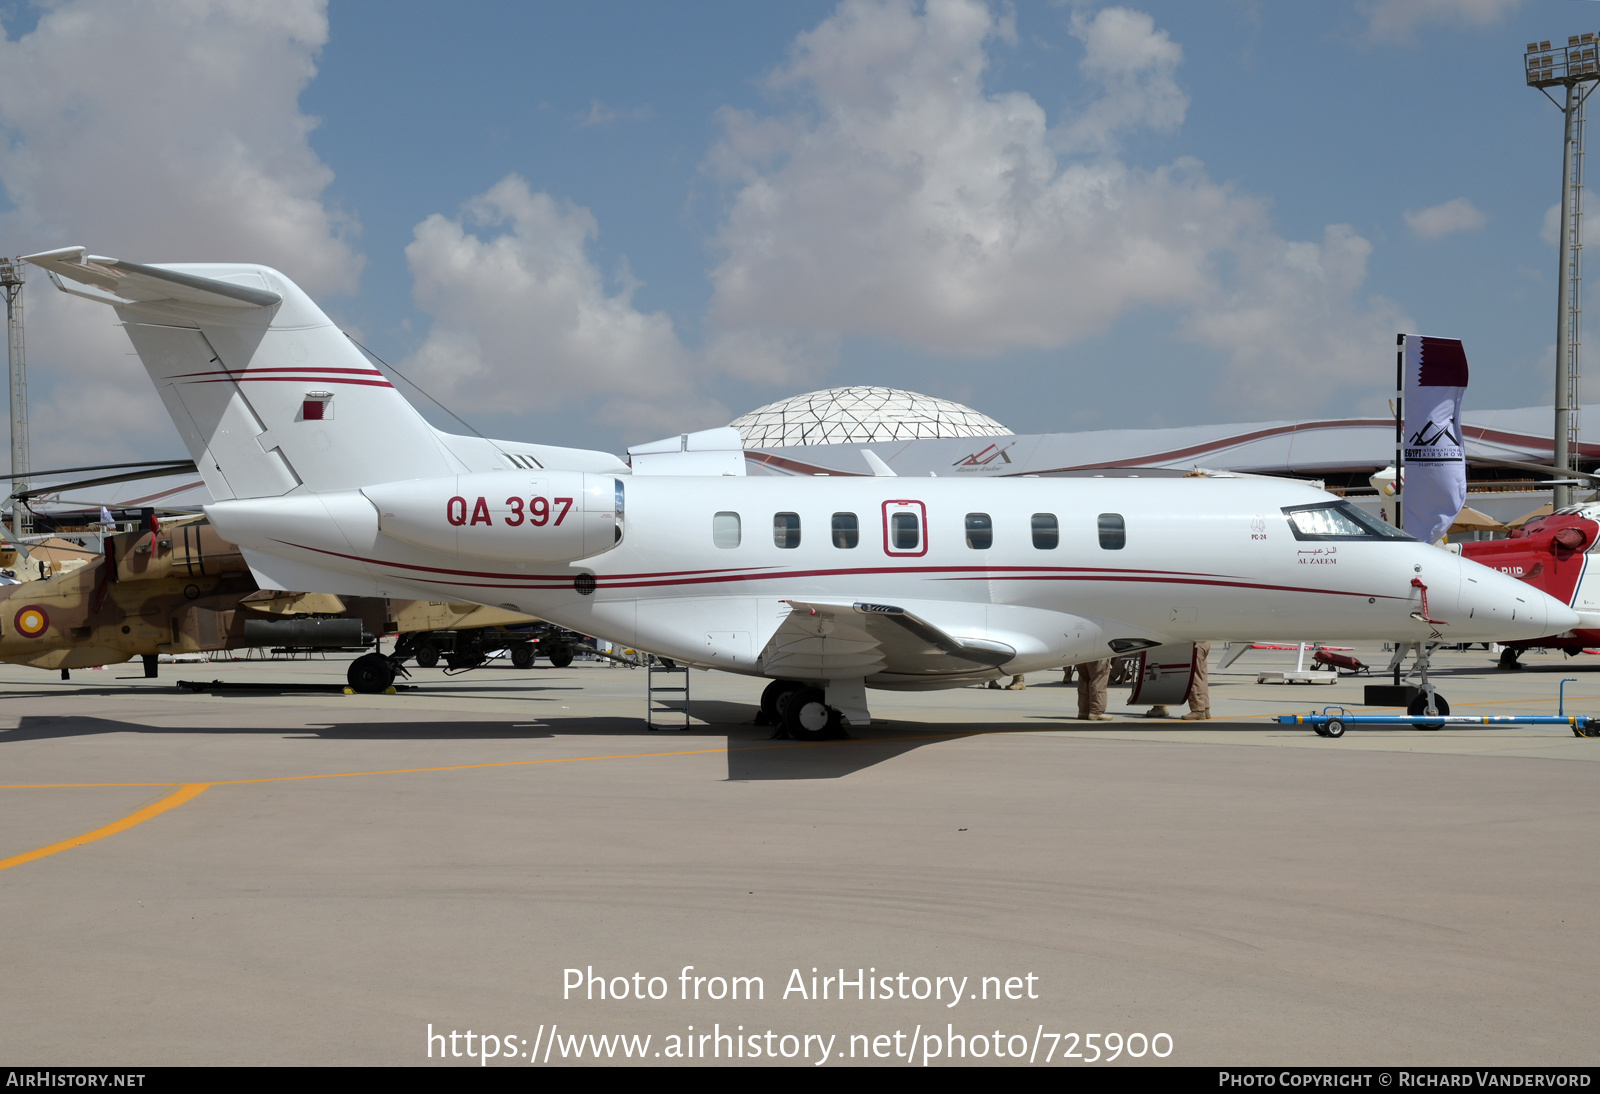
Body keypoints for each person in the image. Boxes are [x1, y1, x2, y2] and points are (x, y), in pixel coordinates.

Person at [1181, 641, 1211, 720]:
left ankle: (1198, 710)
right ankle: (1205, 708)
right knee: (1201, 675)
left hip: (1195, 643)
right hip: (1204, 642)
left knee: (1194, 676)